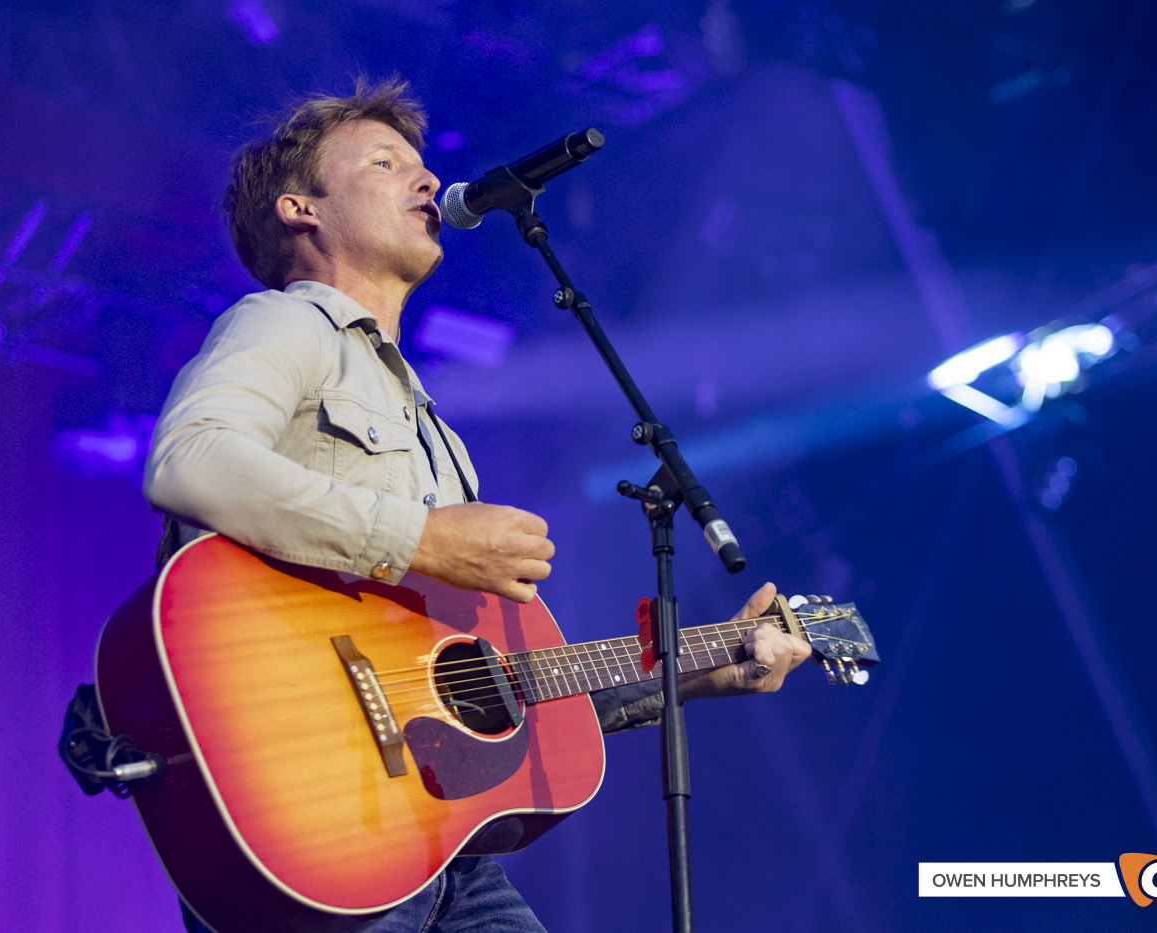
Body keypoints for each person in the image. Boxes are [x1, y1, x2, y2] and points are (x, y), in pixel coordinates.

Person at [144, 76, 810, 933]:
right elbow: (189, 460)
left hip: (442, 841)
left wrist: (695, 673)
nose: (428, 182)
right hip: (322, 818)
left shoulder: (431, 423)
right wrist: (419, 536)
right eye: (387, 164)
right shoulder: (285, 325)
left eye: (424, 165)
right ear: (299, 209)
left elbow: (495, 686)